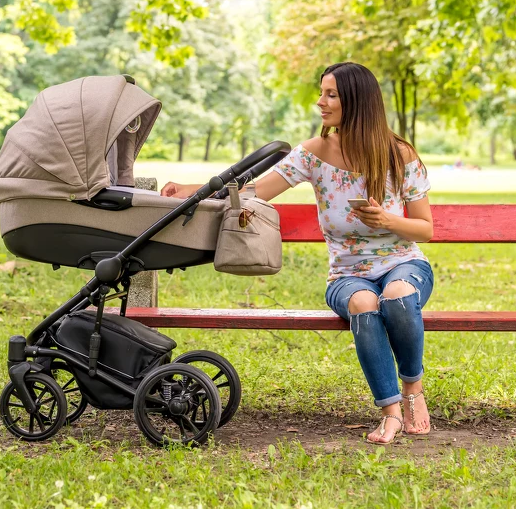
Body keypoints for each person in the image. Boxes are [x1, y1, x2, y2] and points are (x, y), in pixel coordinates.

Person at [161, 62, 434, 445]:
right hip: (347, 274)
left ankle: (413, 392)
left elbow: (426, 227)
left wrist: (386, 219)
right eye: (321, 92)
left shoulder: (399, 155)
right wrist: (193, 190)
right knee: (363, 302)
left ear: (356, 101)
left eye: (331, 94)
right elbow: (255, 192)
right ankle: (390, 413)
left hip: (405, 265)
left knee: (397, 296)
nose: (320, 102)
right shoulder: (314, 153)